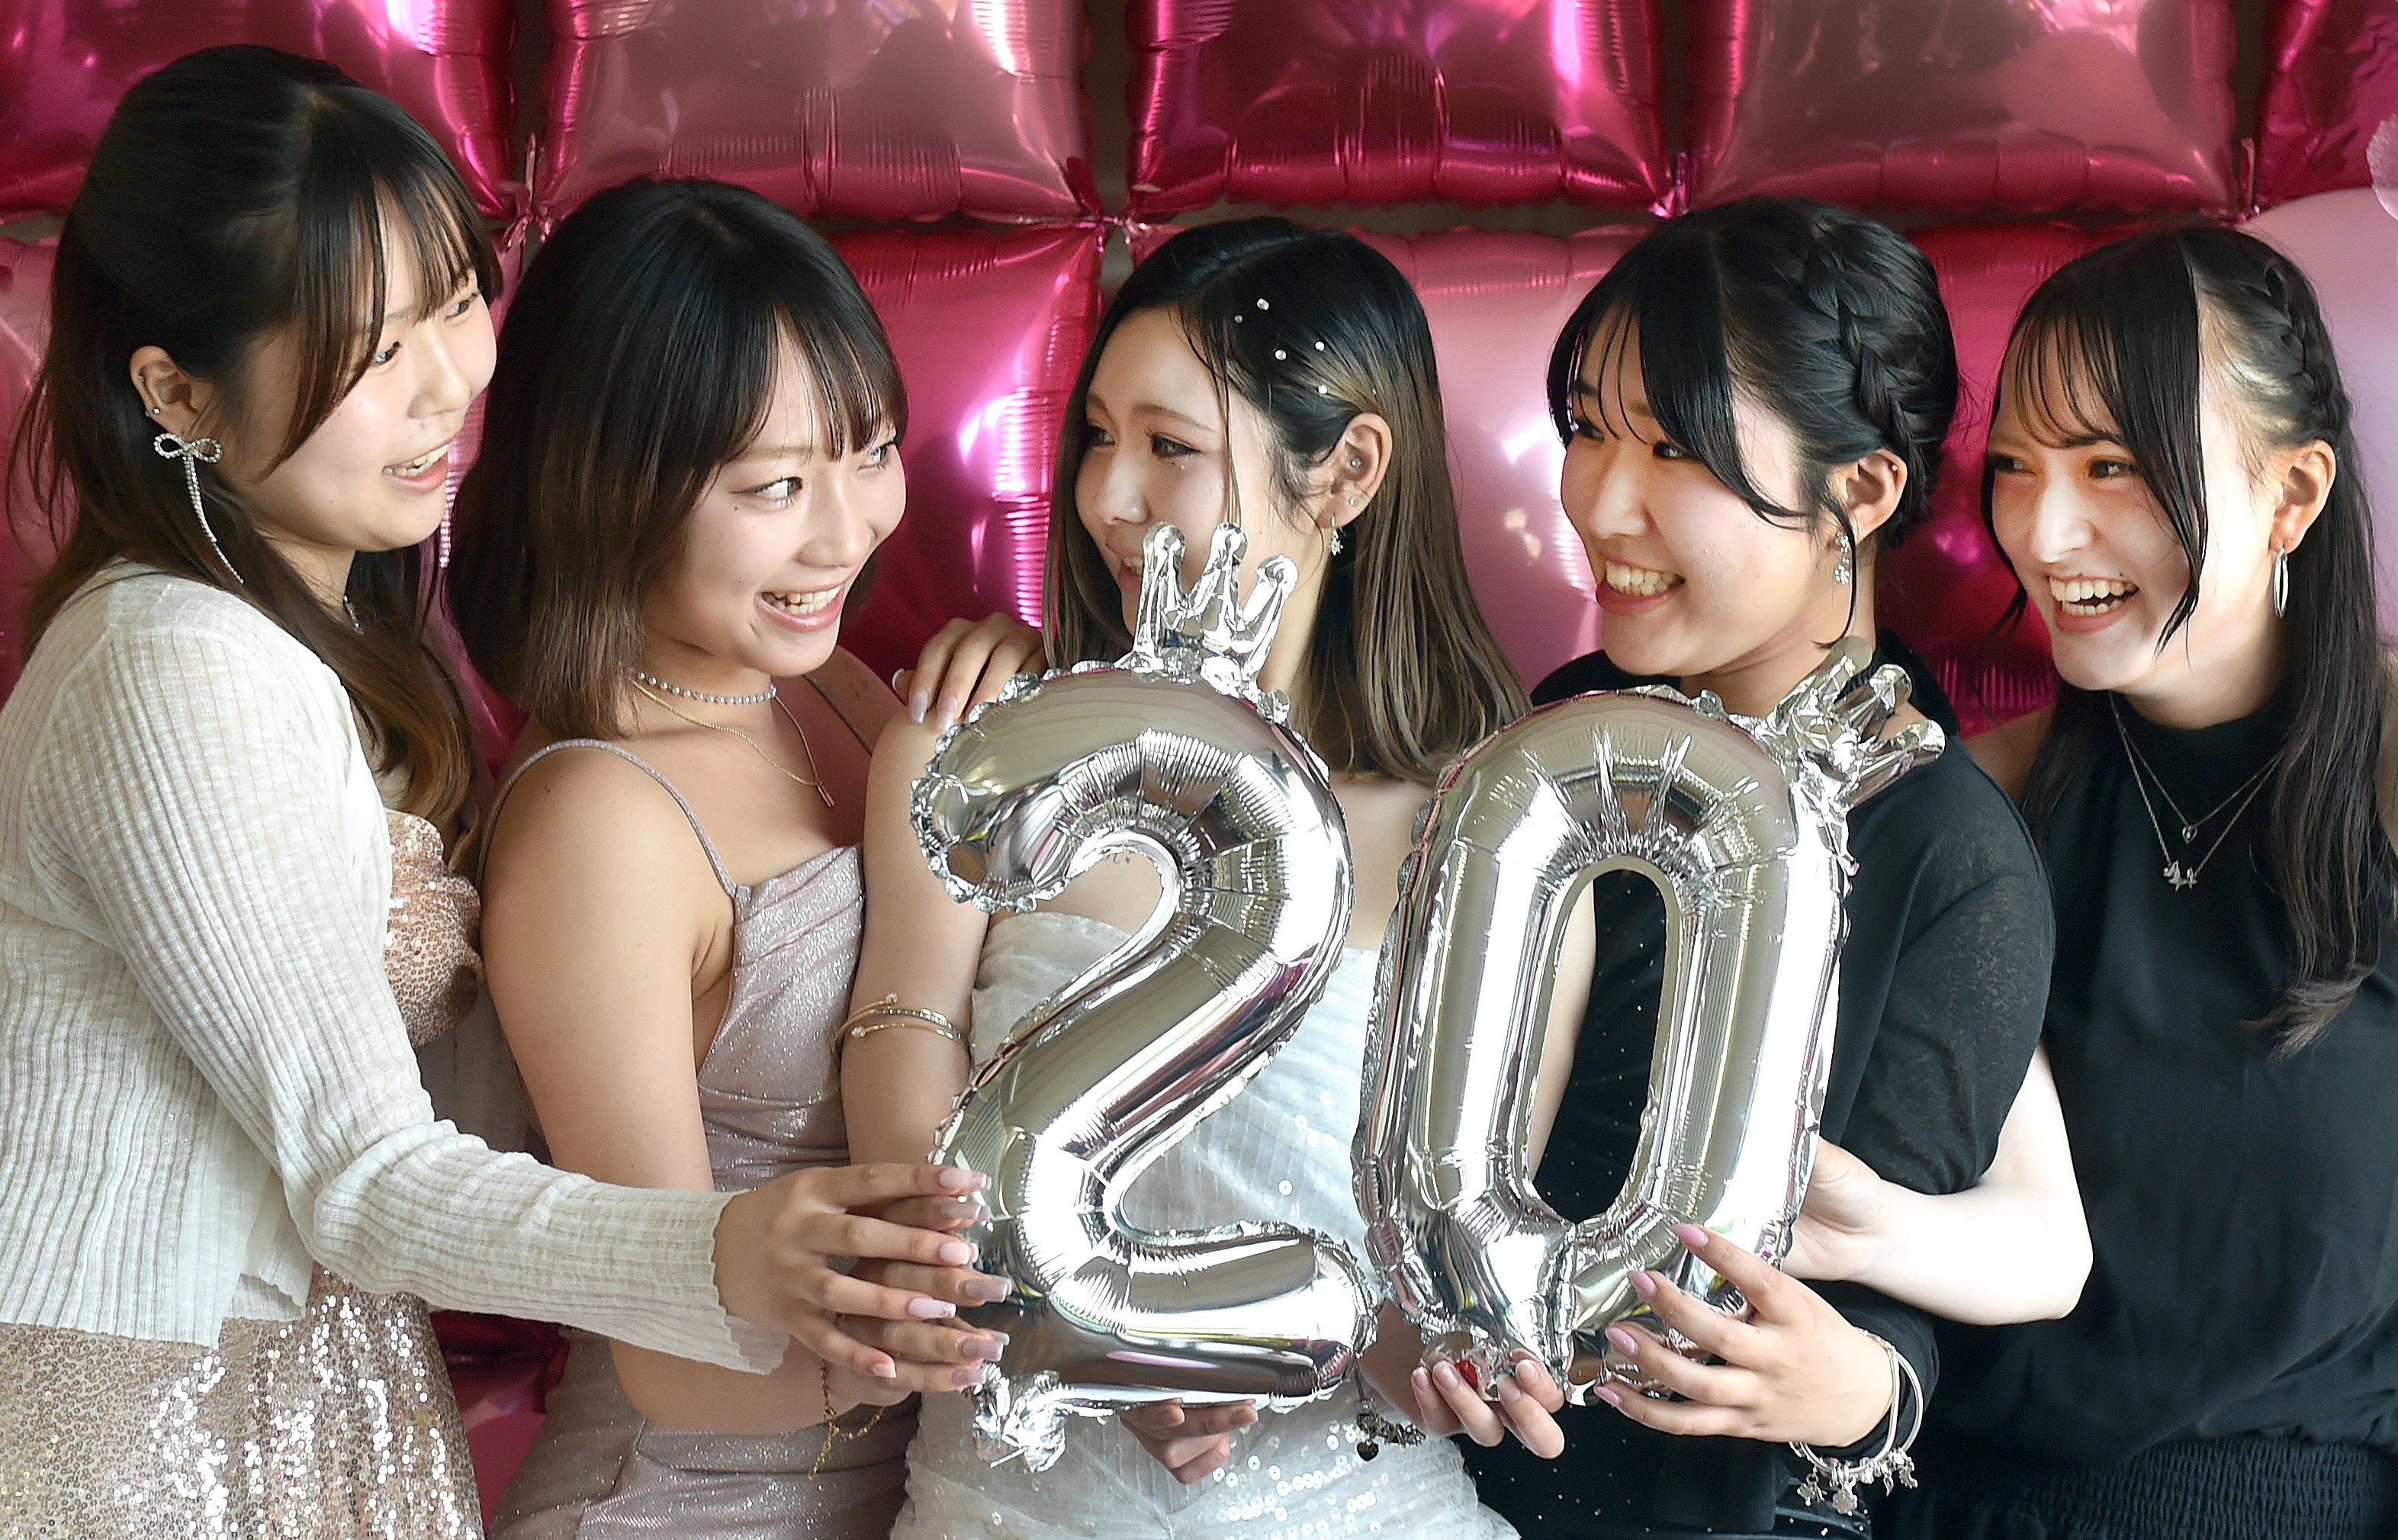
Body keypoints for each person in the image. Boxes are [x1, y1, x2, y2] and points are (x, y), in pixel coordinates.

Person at [0, 51, 979, 1536]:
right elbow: (363, 1172)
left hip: (313, 1393)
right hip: (160, 1427)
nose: (452, 383)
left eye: (459, 303)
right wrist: (735, 1256)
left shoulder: (334, 653)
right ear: (179, 391)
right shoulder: (176, 662)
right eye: (371, 351)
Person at [843, 217, 1563, 1538]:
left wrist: (1326, 1344)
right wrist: (1076, 1328)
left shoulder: (1485, 841)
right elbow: (901, 1069)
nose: (1107, 497)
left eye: (1170, 446)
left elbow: (1454, 1269)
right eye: (1096, 436)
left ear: (1347, 470)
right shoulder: (983, 752)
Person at [1416, 197, 2058, 1540]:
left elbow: (1874, 1283)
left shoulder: (1944, 854)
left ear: (1859, 494)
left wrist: (1863, 1391)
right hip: (1434, 1484)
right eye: (1590, 429)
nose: (1599, 500)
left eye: (1675, 448)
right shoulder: (1567, 731)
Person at [444, 177, 1000, 1538]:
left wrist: (1027, 713)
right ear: (613, 488)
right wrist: (1022, 1351)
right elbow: (676, 1353)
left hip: (924, 1496)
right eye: (776, 486)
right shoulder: (598, 821)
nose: (846, 531)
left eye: (871, 452)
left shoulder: (823, 687)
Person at [1892, 227, 2398, 1539]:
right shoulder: (1979, 804)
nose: (2044, 530)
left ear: (2292, 496)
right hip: (1953, 1505)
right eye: (2018, 466)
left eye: (2111, 465)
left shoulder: (2384, 779)